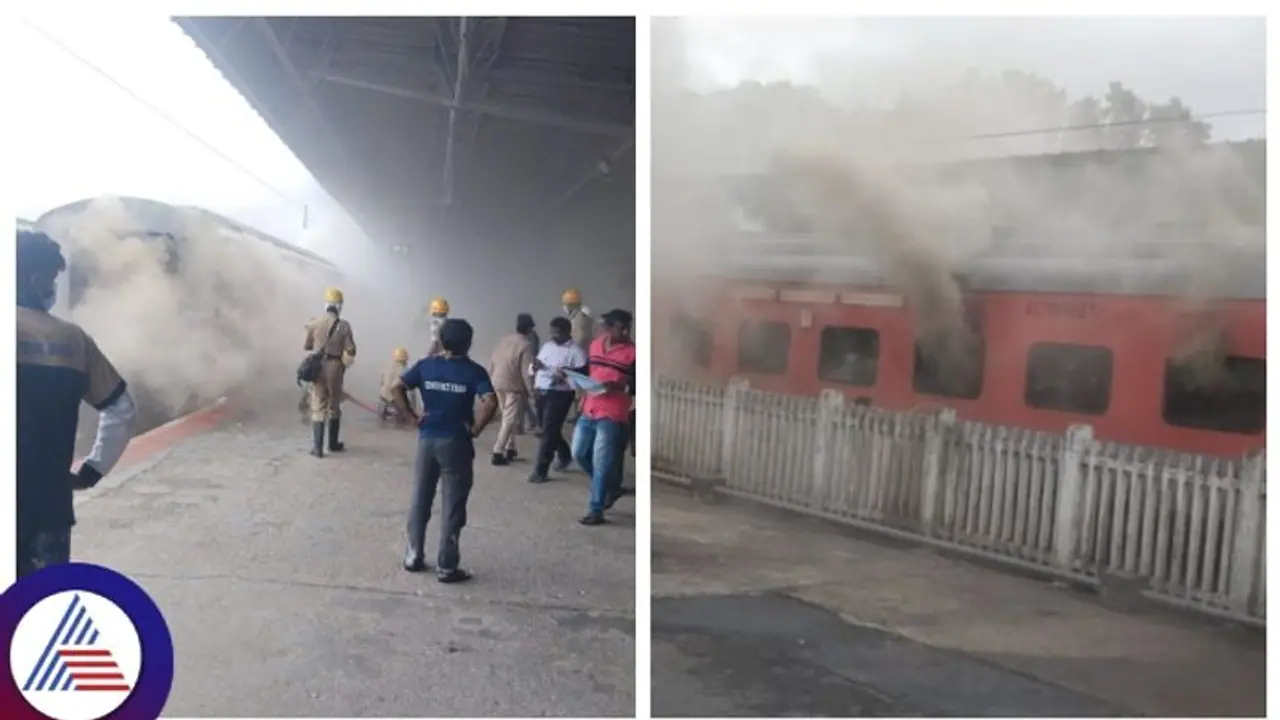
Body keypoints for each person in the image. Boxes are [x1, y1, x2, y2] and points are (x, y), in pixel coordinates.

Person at [16, 230, 138, 577]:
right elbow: (122, 410)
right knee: (37, 613)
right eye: (52, 278)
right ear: (38, 278)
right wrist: (92, 470)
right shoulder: (73, 341)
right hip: (47, 505)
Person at [390, 318, 498, 583]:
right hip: (456, 442)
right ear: (469, 342)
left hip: (427, 439)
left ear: (440, 340)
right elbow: (490, 401)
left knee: (420, 498)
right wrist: (475, 429)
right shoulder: (475, 372)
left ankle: (413, 556)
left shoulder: (426, 366)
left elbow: (396, 387)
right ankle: (447, 566)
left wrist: (411, 417)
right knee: (452, 503)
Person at [569, 309, 636, 526]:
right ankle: (609, 487)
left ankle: (596, 509)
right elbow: (590, 372)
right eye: (614, 326)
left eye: (624, 327)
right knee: (578, 453)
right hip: (590, 407)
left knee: (600, 462)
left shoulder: (634, 354)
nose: (622, 331)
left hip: (613, 413)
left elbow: (637, 385)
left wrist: (620, 385)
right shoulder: (596, 345)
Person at [527, 317, 586, 484]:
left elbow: (581, 376)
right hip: (542, 389)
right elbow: (535, 366)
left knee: (549, 431)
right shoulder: (547, 346)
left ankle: (540, 470)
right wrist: (534, 368)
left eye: (557, 332)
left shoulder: (576, 351)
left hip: (561, 393)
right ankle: (564, 454)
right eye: (552, 332)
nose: (553, 335)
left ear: (567, 332)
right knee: (548, 428)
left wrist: (566, 376)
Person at [303, 287, 357, 457]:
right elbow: (351, 349)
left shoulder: (315, 323)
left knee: (318, 405)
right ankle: (333, 444)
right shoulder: (344, 326)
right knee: (333, 405)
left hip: (318, 367)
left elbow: (307, 346)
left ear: (326, 304)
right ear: (340, 306)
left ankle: (317, 448)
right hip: (335, 367)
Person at [487, 315, 537, 465]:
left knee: (507, 417)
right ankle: (498, 451)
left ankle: (511, 448)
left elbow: (493, 359)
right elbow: (526, 371)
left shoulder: (504, 339)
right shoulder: (526, 344)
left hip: (497, 381)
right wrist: (532, 391)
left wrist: (490, 378)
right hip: (513, 385)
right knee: (509, 419)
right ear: (529, 329)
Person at [380, 346, 417, 426]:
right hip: (396, 399)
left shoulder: (386, 367)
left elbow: (382, 383)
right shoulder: (405, 370)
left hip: (383, 397)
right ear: (405, 359)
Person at [519, 313, 541, 434]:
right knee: (523, 396)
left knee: (531, 395)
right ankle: (531, 420)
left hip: (530, 368)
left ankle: (536, 421)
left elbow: (531, 355)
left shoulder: (530, 337)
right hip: (525, 368)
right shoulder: (527, 336)